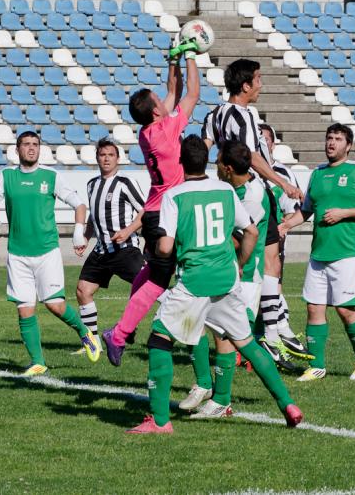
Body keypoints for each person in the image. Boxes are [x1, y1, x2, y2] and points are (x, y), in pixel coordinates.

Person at [126, 136, 303, 433]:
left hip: (195, 281)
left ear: (180, 162)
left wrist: (156, 244)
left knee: (159, 339)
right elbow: (250, 231)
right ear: (206, 162)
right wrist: (241, 263)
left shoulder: (174, 195)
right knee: (246, 343)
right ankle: (287, 403)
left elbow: (167, 248)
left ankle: (159, 421)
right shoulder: (224, 190)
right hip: (226, 278)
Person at [101, 36, 202, 367]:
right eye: (159, 99)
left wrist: (172, 58)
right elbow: (191, 95)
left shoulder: (148, 132)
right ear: (156, 109)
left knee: (152, 274)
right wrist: (190, 55)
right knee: (160, 281)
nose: (163, 97)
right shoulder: (167, 129)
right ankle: (119, 335)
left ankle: (123, 331)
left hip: (153, 212)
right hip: (166, 214)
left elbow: (173, 91)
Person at [202, 59, 309, 365]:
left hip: (236, 189)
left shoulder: (215, 114)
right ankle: (243, 334)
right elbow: (250, 157)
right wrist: (283, 182)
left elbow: (206, 146)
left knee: (272, 260)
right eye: (259, 79)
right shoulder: (244, 114)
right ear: (246, 85)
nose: (261, 85)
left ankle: (275, 332)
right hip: (251, 191)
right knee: (249, 264)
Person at [0, 131, 100, 376]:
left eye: (35, 144)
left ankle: (85, 333)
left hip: (46, 251)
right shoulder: (6, 176)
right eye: (26, 144)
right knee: (24, 308)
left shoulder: (50, 176)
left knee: (54, 305)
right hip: (18, 253)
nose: (31, 148)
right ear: (17, 149)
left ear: (39, 149)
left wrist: (78, 233)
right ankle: (38, 362)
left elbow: (80, 204)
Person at [279, 124, 355, 382]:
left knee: (345, 309)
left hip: (347, 251)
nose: (331, 143)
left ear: (348, 146)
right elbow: (306, 211)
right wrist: (285, 226)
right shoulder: (317, 174)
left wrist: (343, 213)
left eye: (337, 139)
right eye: (329, 138)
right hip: (319, 253)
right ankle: (316, 366)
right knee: (314, 308)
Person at [179, 141, 272, 411]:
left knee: (227, 337)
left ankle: (221, 399)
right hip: (224, 270)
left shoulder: (251, 196)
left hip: (244, 276)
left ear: (228, 168)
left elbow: (243, 237)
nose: (215, 167)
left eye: (218, 162)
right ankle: (207, 386)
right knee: (195, 325)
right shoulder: (233, 189)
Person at [74, 137, 146, 353]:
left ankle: (166, 330)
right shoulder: (92, 184)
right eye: (102, 155)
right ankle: (92, 341)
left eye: (110, 155)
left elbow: (145, 210)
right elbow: (94, 216)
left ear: (118, 159)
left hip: (125, 251)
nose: (106, 159)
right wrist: (86, 237)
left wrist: (128, 231)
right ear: (97, 158)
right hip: (101, 251)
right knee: (82, 290)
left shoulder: (126, 183)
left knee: (150, 288)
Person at [260, 124, 307, 362]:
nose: (262, 143)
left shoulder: (284, 174)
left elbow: (293, 209)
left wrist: (283, 228)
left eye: (266, 139)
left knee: (272, 287)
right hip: (248, 243)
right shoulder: (242, 171)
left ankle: (277, 337)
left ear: (273, 144)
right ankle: (276, 335)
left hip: (273, 243)